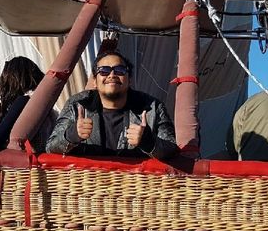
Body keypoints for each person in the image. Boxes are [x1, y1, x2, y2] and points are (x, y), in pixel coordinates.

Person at [46, 51, 178, 159]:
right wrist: (71, 135)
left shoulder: (152, 108)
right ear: (95, 81)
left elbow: (172, 150)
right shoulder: (77, 105)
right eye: (104, 71)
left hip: (136, 186)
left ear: (129, 79)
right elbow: (51, 147)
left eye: (120, 70)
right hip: (87, 185)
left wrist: (148, 142)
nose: (112, 75)